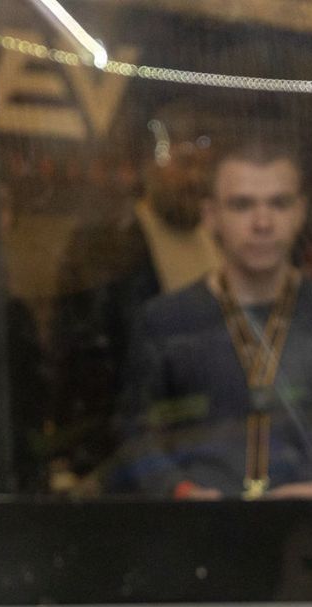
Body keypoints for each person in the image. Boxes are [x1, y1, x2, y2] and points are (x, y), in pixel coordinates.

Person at [117, 136, 312, 499]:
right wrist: (177, 491)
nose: (262, 223)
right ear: (211, 216)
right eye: (242, 205)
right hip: (202, 520)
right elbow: (138, 435)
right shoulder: (166, 321)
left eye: (279, 203)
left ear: (300, 212)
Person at [51, 99, 222, 488]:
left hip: (207, 446)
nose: (195, 178)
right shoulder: (110, 247)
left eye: (203, 166)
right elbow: (88, 360)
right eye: (183, 163)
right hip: (138, 453)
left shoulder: (219, 242)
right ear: (149, 166)